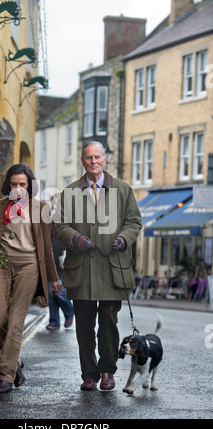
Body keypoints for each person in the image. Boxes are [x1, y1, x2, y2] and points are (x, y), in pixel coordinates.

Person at [53, 141, 142, 391]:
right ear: (82, 161)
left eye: (98, 157)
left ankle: (107, 371)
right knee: (83, 325)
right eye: (89, 157)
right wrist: (75, 237)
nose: (94, 161)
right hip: (81, 271)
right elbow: (58, 225)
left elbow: (134, 222)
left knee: (108, 323)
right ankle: (89, 374)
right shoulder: (70, 192)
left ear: (105, 160)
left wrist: (124, 239)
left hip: (114, 270)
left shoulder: (123, 190)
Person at [0, 163, 61, 393]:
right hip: (1, 264)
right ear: (7, 185)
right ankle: (15, 363)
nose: (18, 188)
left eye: (22, 184)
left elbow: (47, 247)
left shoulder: (41, 208)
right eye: (14, 184)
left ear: (29, 186)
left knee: (16, 320)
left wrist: (54, 278)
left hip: (29, 266)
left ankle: (6, 375)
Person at [46, 194, 74, 330]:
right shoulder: (48, 221)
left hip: (62, 259)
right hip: (50, 260)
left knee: (60, 291)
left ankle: (69, 312)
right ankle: (54, 321)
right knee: (51, 293)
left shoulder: (68, 221)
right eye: (53, 204)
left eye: (58, 205)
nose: (55, 207)